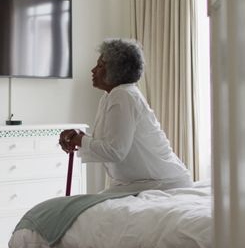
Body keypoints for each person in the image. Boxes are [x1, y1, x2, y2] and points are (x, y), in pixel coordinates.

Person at [59, 38, 192, 192]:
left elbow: (115, 152)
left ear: (116, 70)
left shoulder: (123, 95)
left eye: (100, 65)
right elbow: (111, 143)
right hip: (141, 183)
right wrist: (79, 138)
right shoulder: (111, 96)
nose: (93, 70)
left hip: (161, 184)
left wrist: (79, 139)